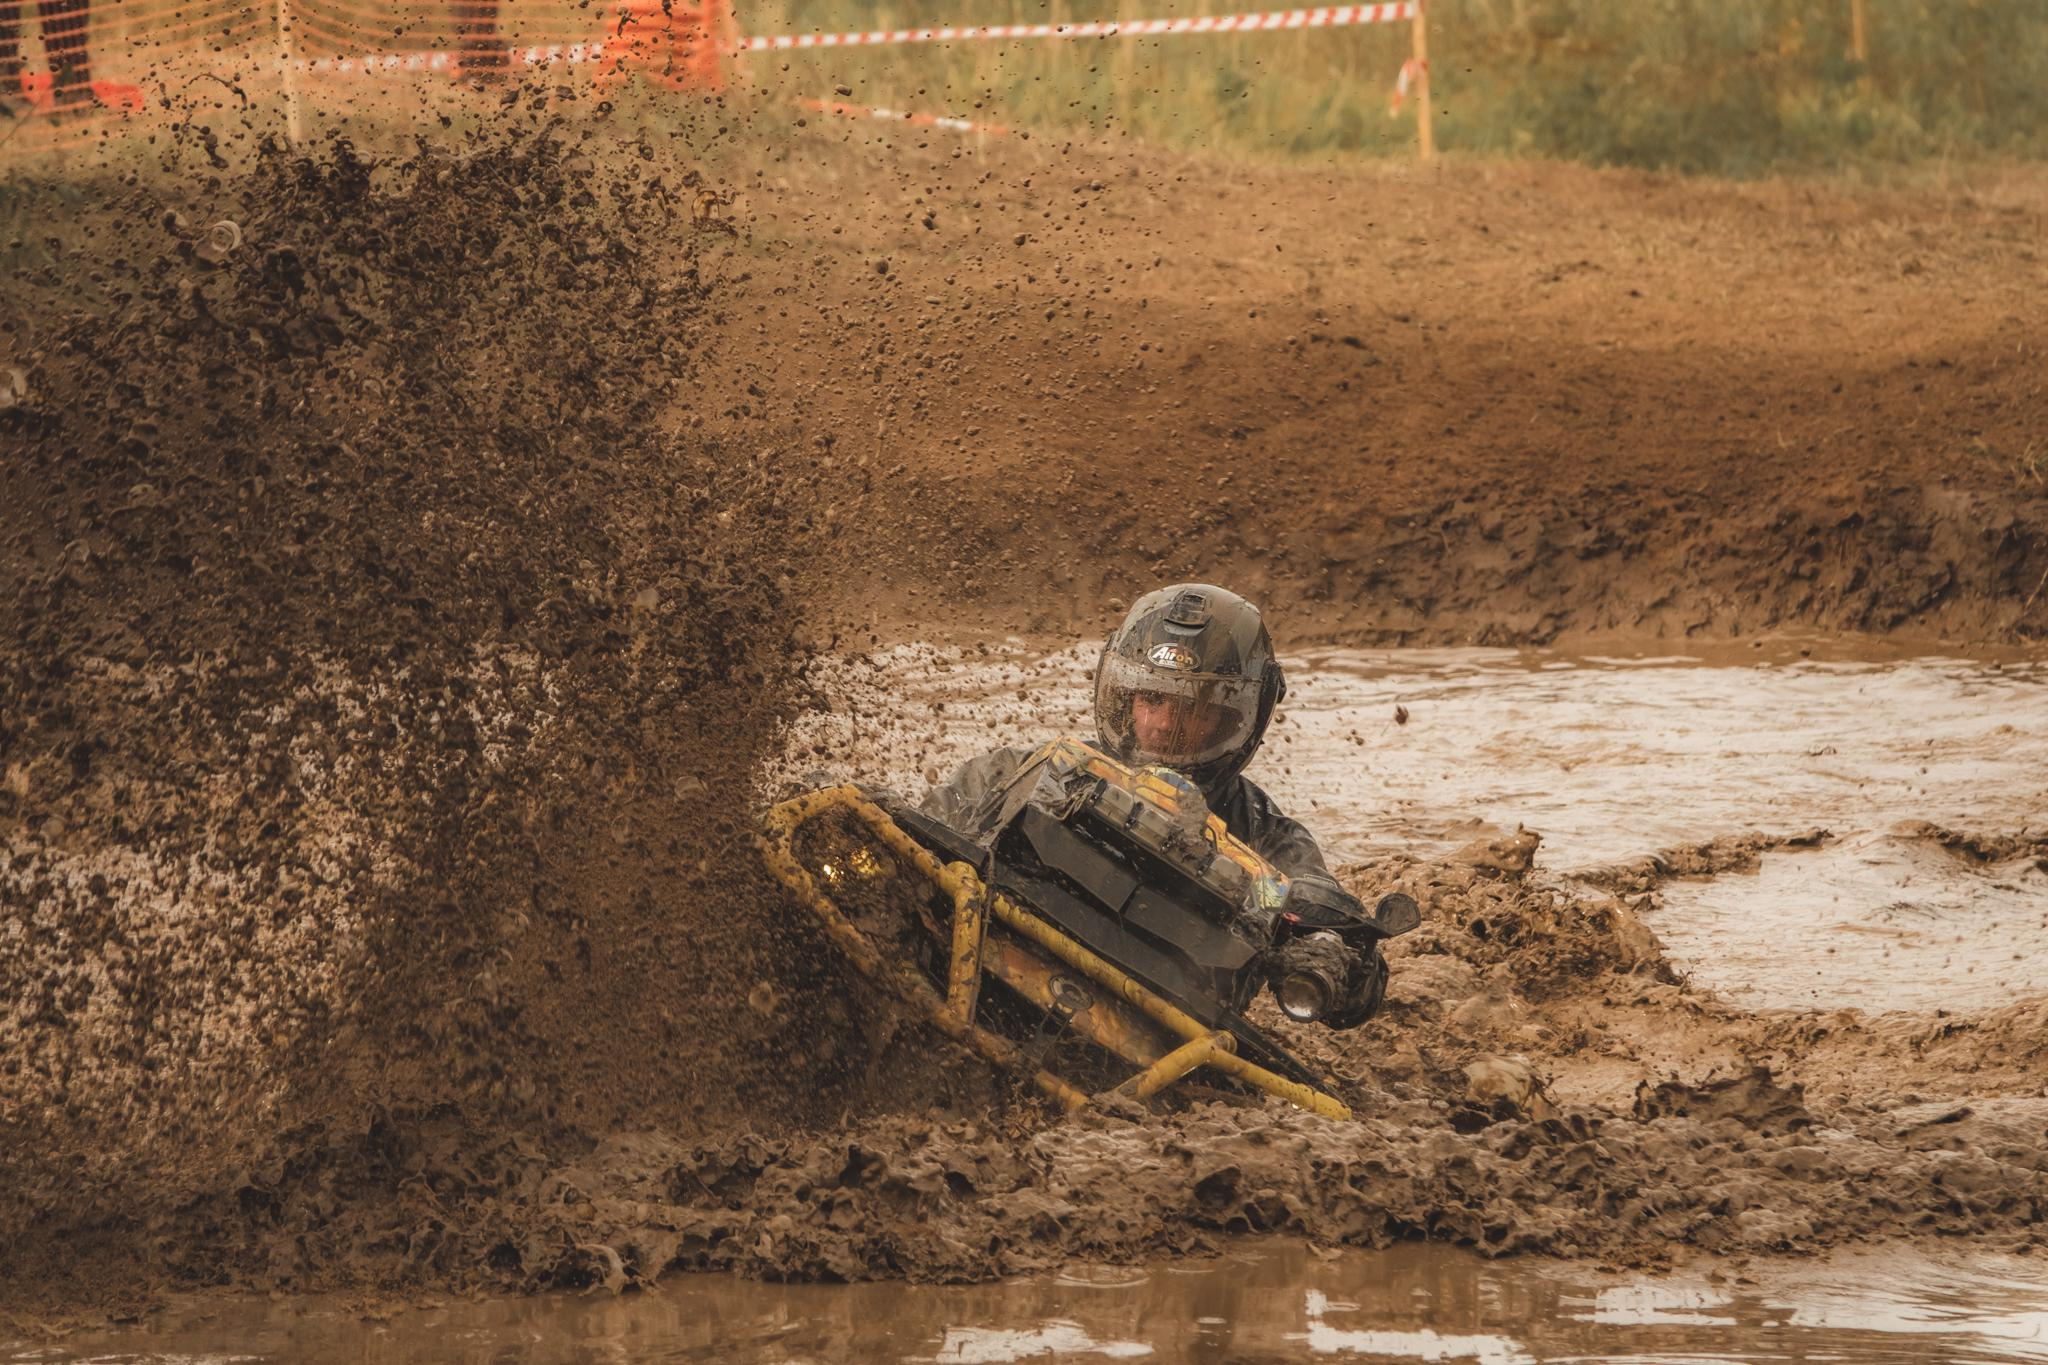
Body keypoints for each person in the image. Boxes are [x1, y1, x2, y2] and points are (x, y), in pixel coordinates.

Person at [922, 582, 1347, 901]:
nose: (1162, 724)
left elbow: (1343, 951)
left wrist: (1326, 947)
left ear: (1232, 720)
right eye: (1152, 698)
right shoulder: (1022, 773)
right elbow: (920, 831)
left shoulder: (1270, 841)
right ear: (1125, 699)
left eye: (1192, 706)